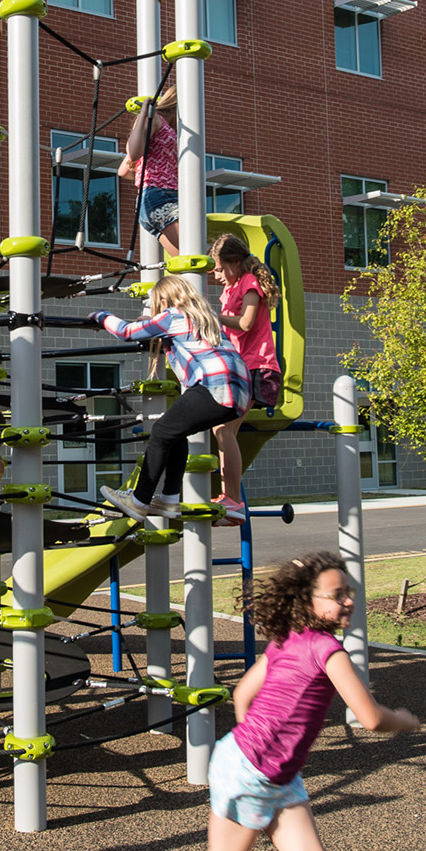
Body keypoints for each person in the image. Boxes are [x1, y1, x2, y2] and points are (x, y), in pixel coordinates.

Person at [94, 551, 421, 851]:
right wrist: (405, 721)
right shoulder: (328, 652)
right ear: (307, 602)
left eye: (349, 592)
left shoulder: (288, 639)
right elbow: (370, 718)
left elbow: (243, 694)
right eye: (336, 595)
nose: (348, 601)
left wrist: (267, 747)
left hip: (269, 772)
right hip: (253, 774)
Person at [91, 273, 252, 522]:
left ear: (164, 301)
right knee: (175, 433)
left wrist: (100, 316)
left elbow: (126, 332)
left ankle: (139, 500)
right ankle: (169, 500)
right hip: (239, 391)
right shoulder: (206, 317)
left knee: (161, 432)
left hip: (214, 385)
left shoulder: (174, 316)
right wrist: (152, 323)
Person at [210, 231, 282, 526]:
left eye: (219, 268)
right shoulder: (229, 290)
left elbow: (245, 323)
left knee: (224, 429)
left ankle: (233, 500)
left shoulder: (249, 284)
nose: (215, 275)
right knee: (222, 429)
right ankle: (230, 498)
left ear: (235, 263)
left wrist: (211, 317)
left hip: (257, 368)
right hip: (240, 367)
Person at [118, 86, 179, 255]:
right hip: (162, 196)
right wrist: (144, 114)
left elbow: (123, 171)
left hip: (150, 199)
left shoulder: (161, 128)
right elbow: (133, 153)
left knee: (188, 261)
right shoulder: (157, 120)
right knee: (199, 250)